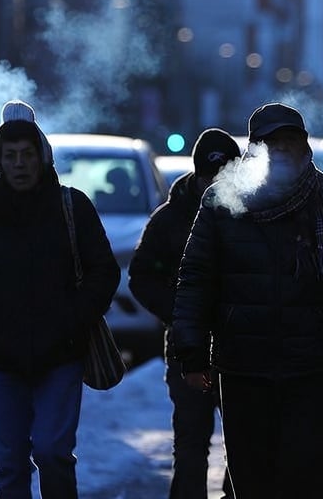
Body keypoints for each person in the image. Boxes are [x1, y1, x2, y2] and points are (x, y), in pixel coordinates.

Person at [170, 102, 323, 499]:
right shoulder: (222, 202)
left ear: (304, 147)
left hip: (314, 370)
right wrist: (190, 350)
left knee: (309, 482)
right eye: (274, 144)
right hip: (243, 369)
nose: (284, 152)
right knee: (253, 482)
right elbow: (196, 280)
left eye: (292, 142)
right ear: (255, 151)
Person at [0, 100, 120, 499]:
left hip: (60, 355)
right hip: (1, 359)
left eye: (27, 155)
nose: (19, 164)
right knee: (8, 464)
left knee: (53, 451)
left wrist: (73, 319)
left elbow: (104, 272)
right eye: (10, 156)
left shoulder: (71, 206)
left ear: (42, 157)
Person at [130, 128, 241, 499]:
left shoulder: (251, 215)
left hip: (239, 344)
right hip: (187, 347)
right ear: (196, 175)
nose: (218, 186)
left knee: (244, 442)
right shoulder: (169, 218)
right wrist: (179, 313)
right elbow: (142, 276)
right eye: (211, 177)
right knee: (191, 444)